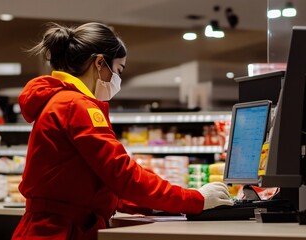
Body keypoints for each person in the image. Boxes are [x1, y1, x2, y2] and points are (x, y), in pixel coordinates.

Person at [12, 22, 233, 240]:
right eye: (118, 70)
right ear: (99, 62)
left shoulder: (61, 101)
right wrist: (194, 199)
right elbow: (122, 174)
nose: (117, 79)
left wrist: (156, 205)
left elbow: (98, 183)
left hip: (51, 229)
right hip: (61, 231)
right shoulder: (76, 105)